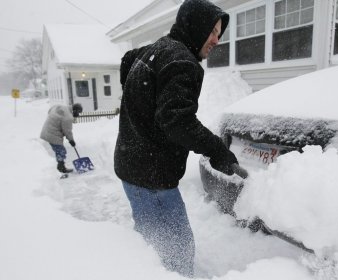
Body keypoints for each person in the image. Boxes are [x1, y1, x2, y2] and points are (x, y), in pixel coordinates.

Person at [114, 0, 238, 277]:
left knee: (149, 245)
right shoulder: (182, 61)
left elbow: (127, 60)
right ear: (196, 27)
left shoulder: (156, 51)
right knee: (177, 255)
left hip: (131, 168)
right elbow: (177, 122)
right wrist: (218, 150)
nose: (217, 40)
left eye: (220, 33)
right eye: (213, 31)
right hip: (152, 179)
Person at [40, 103, 83, 173]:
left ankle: (61, 166)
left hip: (47, 130)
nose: (78, 115)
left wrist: (55, 120)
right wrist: (71, 140)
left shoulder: (60, 107)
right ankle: (61, 168)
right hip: (53, 134)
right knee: (61, 151)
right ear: (74, 110)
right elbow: (67, 131)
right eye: (78, 112)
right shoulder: (68, 117)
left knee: (59, 150)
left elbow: (50, 110)